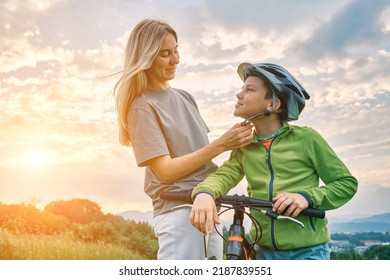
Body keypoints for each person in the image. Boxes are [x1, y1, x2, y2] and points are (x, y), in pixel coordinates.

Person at [112, 19, 253, 260]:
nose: (176, 60)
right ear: (146, 58)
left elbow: (199, 155)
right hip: (179, 211)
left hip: (209, 209)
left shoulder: (186, 97)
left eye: (176, 50)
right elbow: (165, 172)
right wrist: (222, 143)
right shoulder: (142, 106)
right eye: (165, 54)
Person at [190, 62, 358, 260]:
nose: (239, 94)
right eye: (242, 88)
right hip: (262, 252)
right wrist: (204, 193)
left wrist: (307, 197)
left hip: (308, 253)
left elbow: (346, 184)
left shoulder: (306, 139)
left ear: (273, 104)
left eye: (249, 89)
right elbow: (224, 175)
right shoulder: (245, 145)